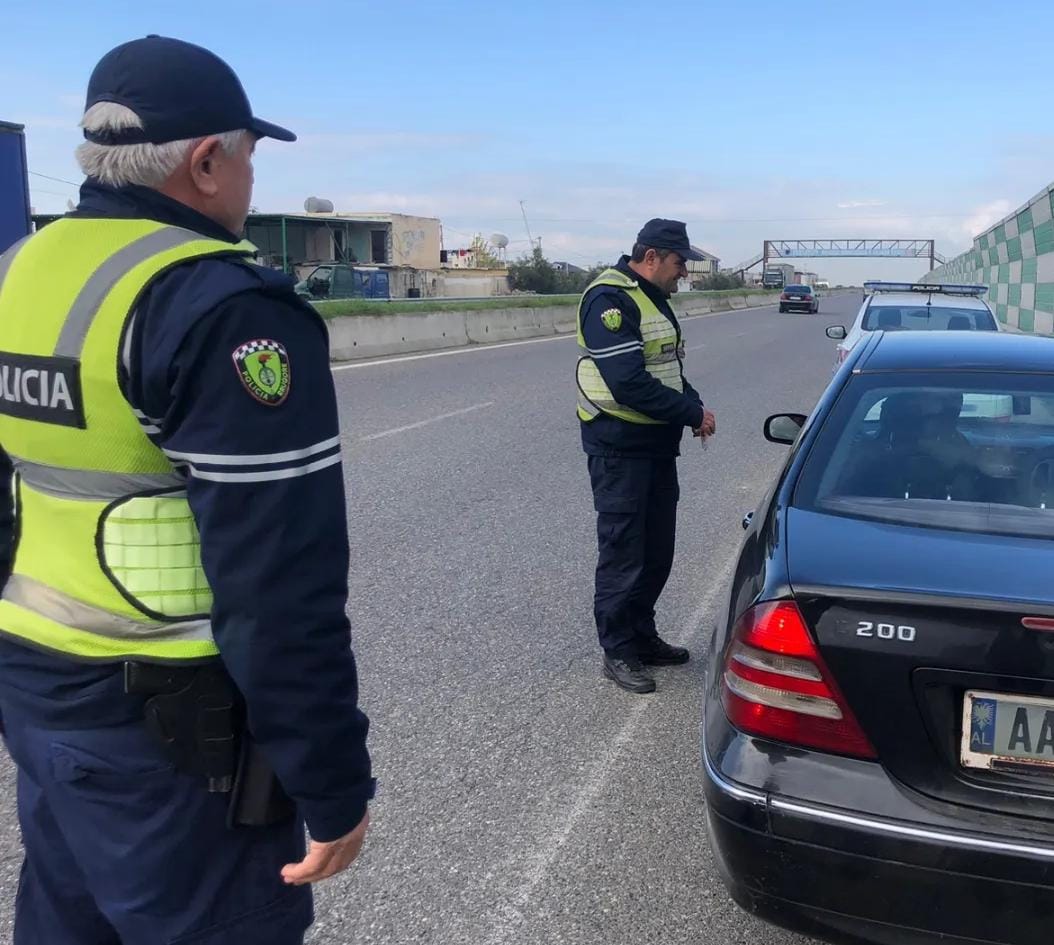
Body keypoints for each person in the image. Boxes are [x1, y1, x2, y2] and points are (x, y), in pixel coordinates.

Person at [0, 36, 373, 944]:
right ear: (206, 163)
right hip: (171, 734)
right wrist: (331, 781)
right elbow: (278, 586)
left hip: (38, 688)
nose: (250, 179)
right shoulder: (219, 305)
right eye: (249, 157)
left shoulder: (19, 269)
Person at [576, 219, 716, 694]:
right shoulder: (609, 299)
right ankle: (617, 650)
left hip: (654, 444)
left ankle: (641, 635)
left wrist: (694, 405)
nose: (684, 273)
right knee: (624, 552)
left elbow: (666, 368)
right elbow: (629, 383)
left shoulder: (651, 296)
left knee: (656, 551)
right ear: (651, 256)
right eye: (680, 263)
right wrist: (688, 412)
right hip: (619, 446)